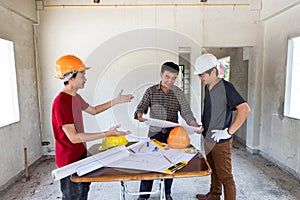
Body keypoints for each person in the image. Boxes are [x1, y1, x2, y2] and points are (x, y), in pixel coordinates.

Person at [52, 54, 134, 200]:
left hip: (81, 156)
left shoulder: (76, 98)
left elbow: (94, 110)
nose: (85, 79)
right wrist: (106, 134)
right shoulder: (61, 103)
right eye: (82, 74)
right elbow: (74, 138)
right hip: (69, 162)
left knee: (83, 194)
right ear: (71, 77)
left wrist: (115, 101)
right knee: (73, 196)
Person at [134, 61, 201, 200]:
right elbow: (141, 107)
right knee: (150, 165)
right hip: (154, 134)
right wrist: (139, 114)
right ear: (161, 74)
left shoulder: (178, 93)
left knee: (171, 165)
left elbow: (187, 113)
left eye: (173, 78)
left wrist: (195, 126)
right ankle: (144, 196)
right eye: (167, 77)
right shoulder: (151, 91)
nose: (170, 81)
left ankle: (167, 193)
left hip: (173, 135)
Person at [193, 54, 251, 200]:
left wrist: (228, 132)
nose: (200, 78)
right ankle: (214, 195)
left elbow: (245, 109)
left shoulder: (227, 88)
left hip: (221, 142)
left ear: (213, 71)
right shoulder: (208, 87)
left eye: (202, 75)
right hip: (207, 137)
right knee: (213, 170)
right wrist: (202, 125)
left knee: (226, 177)